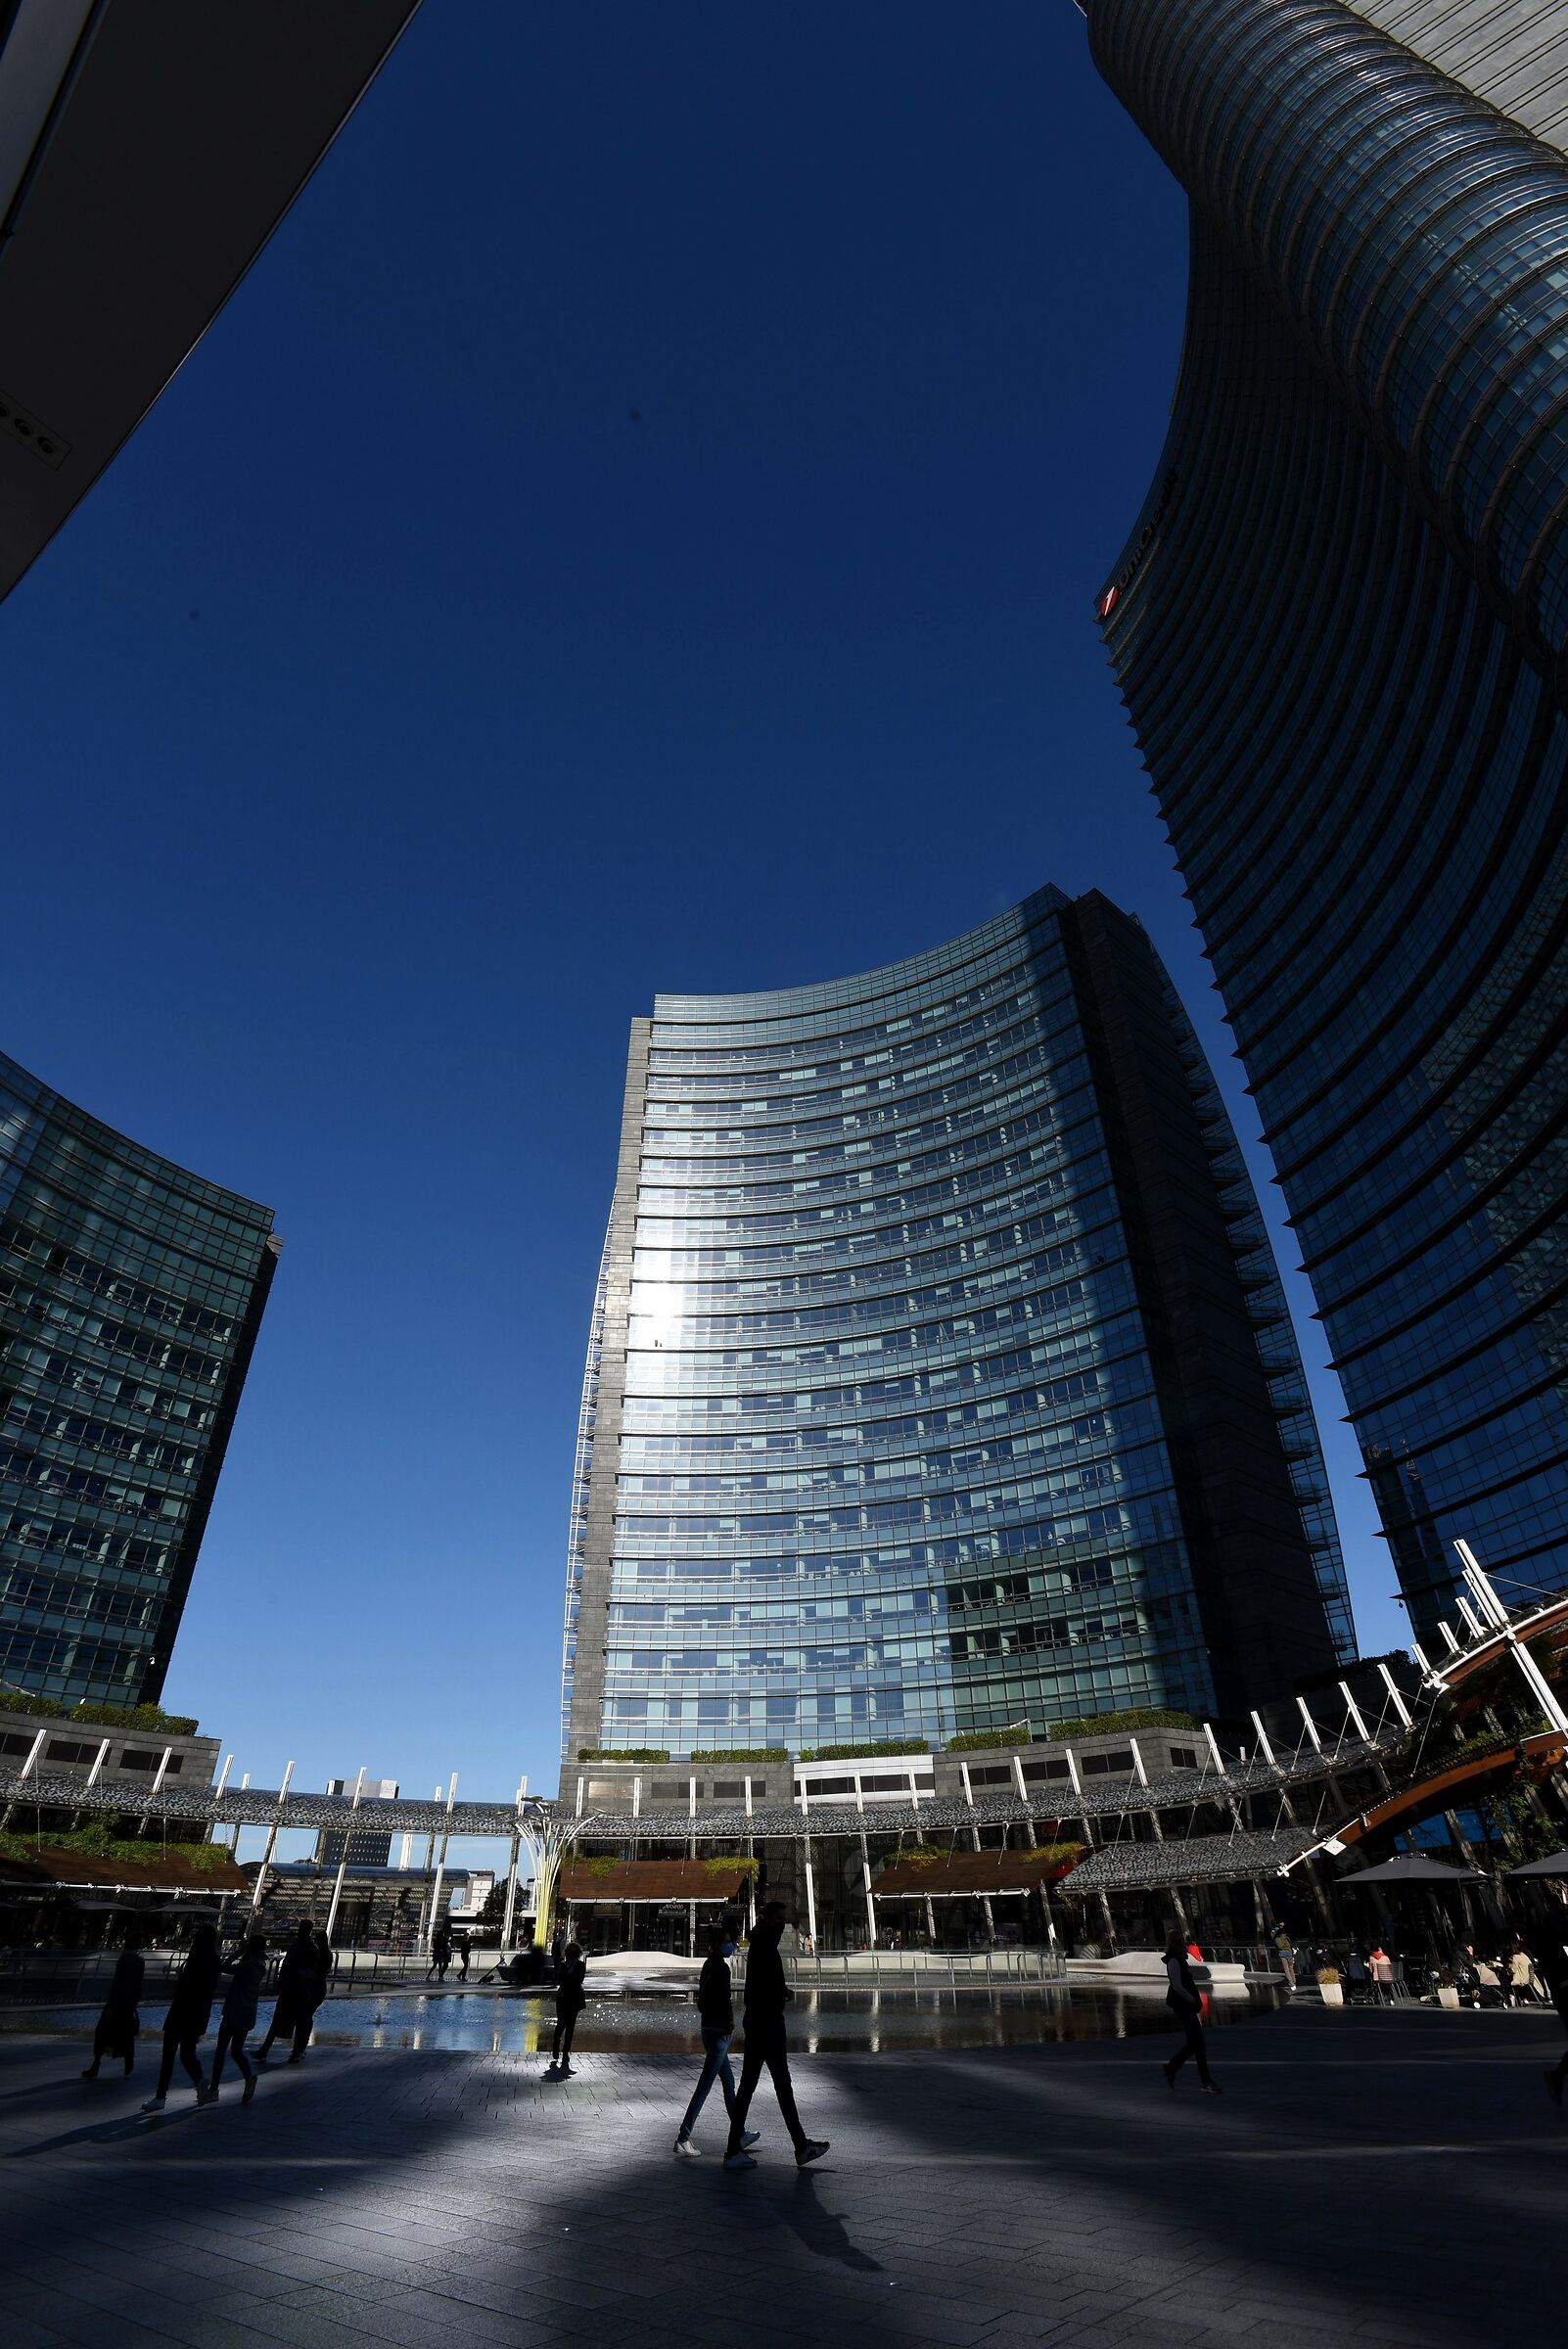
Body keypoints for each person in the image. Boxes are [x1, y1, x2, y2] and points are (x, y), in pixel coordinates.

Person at [722, 1902, 829, 2170]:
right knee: (776, 2086)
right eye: (779, 1920)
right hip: (766, 2025)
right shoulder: (764, 1946)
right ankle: (796, 2146)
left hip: (761, 2022)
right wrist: (776, 1998)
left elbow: (761, 1984)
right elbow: (759, 1988)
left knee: (757, 2086)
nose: (783, 1925)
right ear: (768, 1918)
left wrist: (780, 1990)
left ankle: (739, 2148)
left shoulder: (762, 1942)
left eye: (784, 1920)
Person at [673, 1920, 760, 2160]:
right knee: (705, 2086)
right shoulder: (721, 1968)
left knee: (729, 2082)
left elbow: (705, 2000)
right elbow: (724, 2001)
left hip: (709, 2029)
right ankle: (683, 2137)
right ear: (718, 1944)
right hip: (719, 2033)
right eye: (729, 1942)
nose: (732, 1945)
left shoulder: (708, 1965)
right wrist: (730, 2025)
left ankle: (739, 2131)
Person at [142, 1923, 220, 2109]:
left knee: (169, 2055)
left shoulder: (195, 1958)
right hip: (197, 2014)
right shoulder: (214, 1960)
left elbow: (186, 1987)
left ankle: (161, 2096)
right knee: (187, 2054)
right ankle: (201, 2084)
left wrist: (180, 1977)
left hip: (181, 2012)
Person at [205, 1934, 266, 2105]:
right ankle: (249, 2076)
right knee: (237, 2050)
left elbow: (223, 1966)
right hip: (248, 2013)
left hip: (233, 2010)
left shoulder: (247, 1965)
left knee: (221, 2050)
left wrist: (239, 1950)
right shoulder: (260, 1965)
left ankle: (214, 2088)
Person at [1161, 1929, 1220, 2095]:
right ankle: (1205, 2081)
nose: (1184, 1944)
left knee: (1195, 2043)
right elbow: (1176, 1985)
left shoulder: (1179, 1959)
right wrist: (1191, 1998)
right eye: (1182, 1942)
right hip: (1184, 2006)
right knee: (1198, 2044)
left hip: (1187, 2005)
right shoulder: (1173, 1960)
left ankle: (1172, 2068)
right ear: (1177, 1943)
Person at [255, 1920, 320, 2065]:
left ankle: (265, 2049)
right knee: (300, 2020)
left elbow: (287, 1965)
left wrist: (281, 1982)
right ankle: (296, 2051)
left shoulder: (297, 1946)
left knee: (278, 2018)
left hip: (290, 1988)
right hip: (303, 1989)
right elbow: (315, 1968)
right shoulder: (313, 1948)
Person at [82, 1930, 144, 2079]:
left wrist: (110, 2004)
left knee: (102, 2032)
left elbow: (117, 1984)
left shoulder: (123, 1960)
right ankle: (128, 2060)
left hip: (116, 2003)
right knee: (126, 2033)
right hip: (128, 2004)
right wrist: (133, 2003)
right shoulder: (140, 1961)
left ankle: (96, 2064)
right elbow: (138, 1985)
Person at [1526, 1912, 1568, 2107]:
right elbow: (1561, 1976)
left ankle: (1557, 2077)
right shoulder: (1550, 1947)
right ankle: (1556, 2077)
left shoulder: (1549, 1945)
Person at [547, 1940, 587, 2075]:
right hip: (571, 1996)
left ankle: (563, 2050)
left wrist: (569, 1978)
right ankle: (560, 2048)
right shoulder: (571, 1966)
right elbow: (575, 1980)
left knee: (566, 2024)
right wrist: (572, 1978)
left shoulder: (570, 1966)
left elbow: (565, 1980)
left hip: (566, 1996)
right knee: (566, 2024)